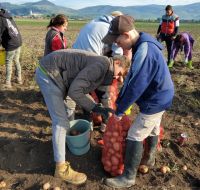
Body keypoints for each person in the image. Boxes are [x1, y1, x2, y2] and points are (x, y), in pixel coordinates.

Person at [35, 49, 130, 185]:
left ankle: (64, 141)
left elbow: (80, 89)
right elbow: (75, 90)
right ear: (117, 62)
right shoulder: (102, 65)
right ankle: (60, 169)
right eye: (120, 73)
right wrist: (94, 107)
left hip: (59, 76)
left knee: (68, 108)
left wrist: (96, 106)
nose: (119, 78)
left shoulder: (104, 67)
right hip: (49, 75)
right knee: (60, 122)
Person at [102, 15, 174, 188]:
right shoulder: (144, 44)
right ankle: (149, 159)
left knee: (135, 134)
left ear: (126, 35)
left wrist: (120, 110)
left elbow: (136, 84)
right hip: (162, 94)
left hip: (155, 100)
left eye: (117, 40)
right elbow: (134, 78)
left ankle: (128, 177)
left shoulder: (145, 51)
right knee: (154, 126)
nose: (116, 44)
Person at [72, 11, 130, 132]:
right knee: (104, 93)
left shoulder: (94, 23)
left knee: (83, 92)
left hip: (76, 62)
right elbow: (117, 56)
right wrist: (119, 74)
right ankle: (105, 123)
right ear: (118, 22)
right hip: (92, 63)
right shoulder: (112, 29)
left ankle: (88, 122)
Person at [0, 8, 22, 88]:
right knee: (16, 60)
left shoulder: (0, 19)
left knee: (8, 62)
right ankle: (19, 79)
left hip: (11, 43)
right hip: (18, 41)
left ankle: (7, 82)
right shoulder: (7, 15)